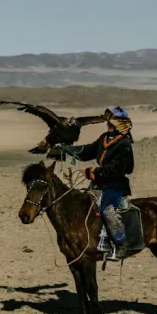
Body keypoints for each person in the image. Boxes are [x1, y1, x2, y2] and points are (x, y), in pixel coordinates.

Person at [50, 106, 135, 260]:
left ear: (120, 125)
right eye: (108, 123)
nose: (108, 125)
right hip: (99, 184)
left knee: (107, 210)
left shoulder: (124, 144)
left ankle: (121, 244)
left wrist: (93, 172)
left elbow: (117, 169)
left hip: (115, 185)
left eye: (112, 123)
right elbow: (88, 150)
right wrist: (67, 149)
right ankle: (96, 241)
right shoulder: (104, 138)